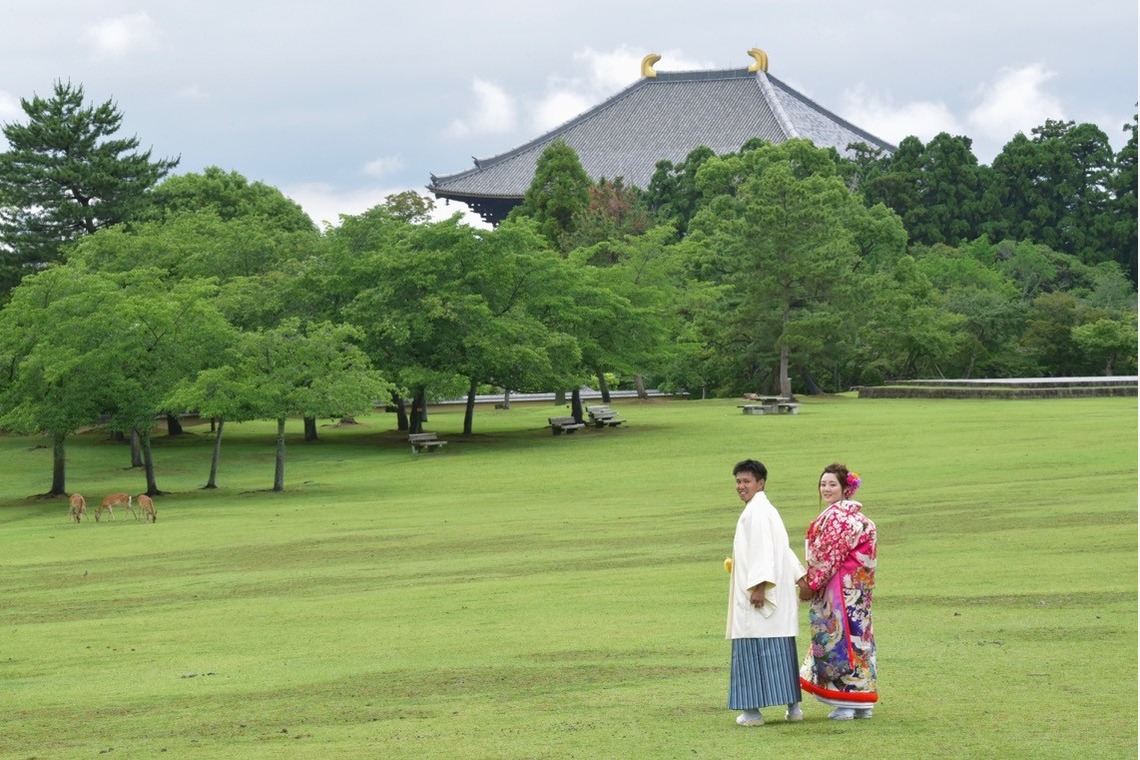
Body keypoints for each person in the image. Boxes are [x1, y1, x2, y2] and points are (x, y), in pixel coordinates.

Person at [725, 459, 805, 726]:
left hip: (759, 596)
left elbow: (763, 550)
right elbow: (783, 549)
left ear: (760, 483)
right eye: (738, 481)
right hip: (775, 597)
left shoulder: (757, 511)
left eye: (746, 481)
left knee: (752, 648)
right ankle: (793, 709)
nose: (741, 486)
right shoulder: (766, 509)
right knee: (780, 649)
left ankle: (751, 712)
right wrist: (800, 575)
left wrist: (760, 586)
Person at [797, 463, 878, 720]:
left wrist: (810, 584)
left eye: (832, 484)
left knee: (838, 642)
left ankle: (846, 701)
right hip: (857, 590)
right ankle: (862, 702)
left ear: (846, 489)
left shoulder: (838, 517)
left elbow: (827, 556)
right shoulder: (856, 517)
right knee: (859, 641)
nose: (826, 489)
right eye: (823, 484)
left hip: (839, 590)